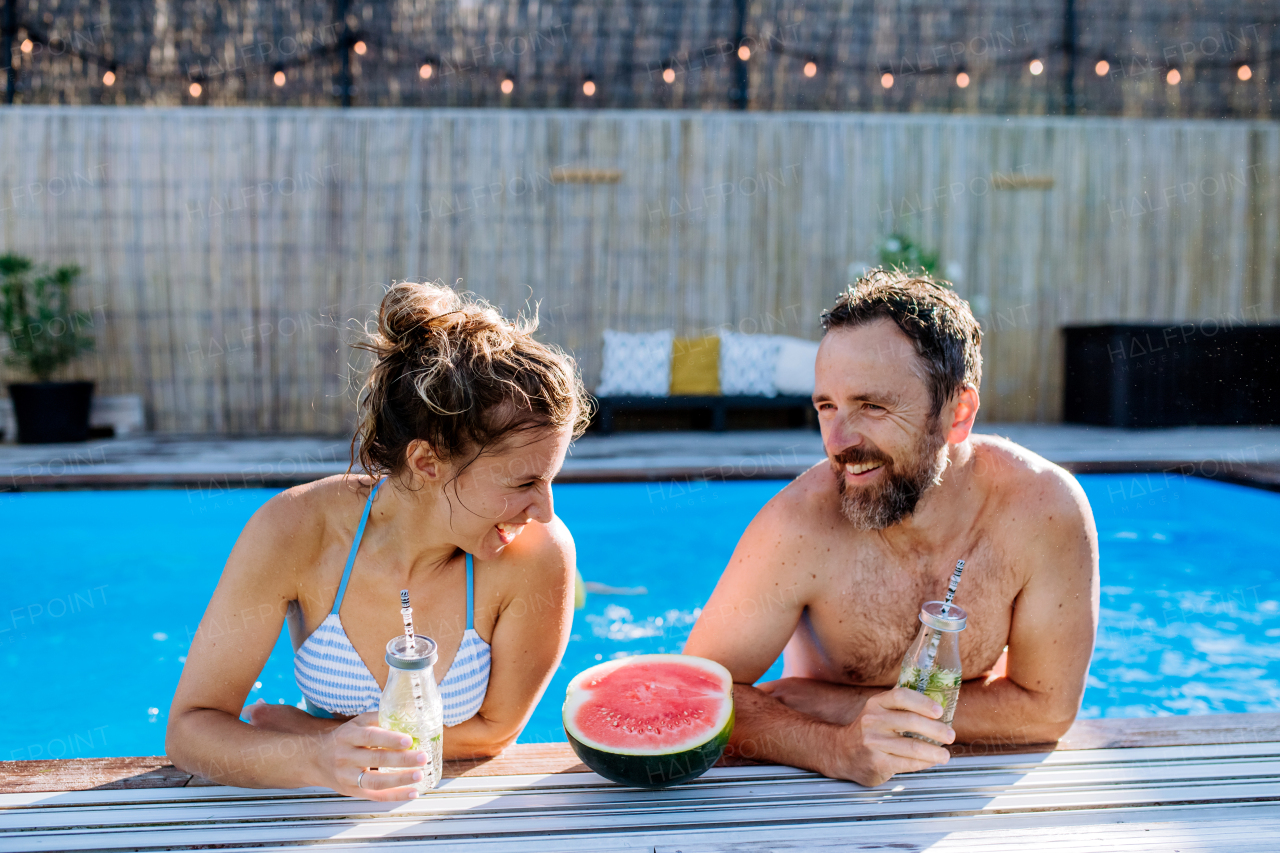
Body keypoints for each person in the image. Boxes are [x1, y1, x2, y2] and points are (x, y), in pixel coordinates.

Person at [167, 282, 592, 801]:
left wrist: (307, 733)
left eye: (551, 480)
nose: (545, 510)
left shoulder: (537, 551)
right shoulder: (296, 531)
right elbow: (191, 729)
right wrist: (317, 762)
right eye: (524, 483)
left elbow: (495, 734)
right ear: (426, 462)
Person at [684, 268, 1099, 787]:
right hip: (818, 798)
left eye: (872, 406)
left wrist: (839, 705)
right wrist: (833, 747)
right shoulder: (798, 528)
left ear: (958, 413)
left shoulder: (1044, 510)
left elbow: (1047, 712)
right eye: (826, 407)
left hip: (969, 790)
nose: (838, 441)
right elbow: (691, 694)